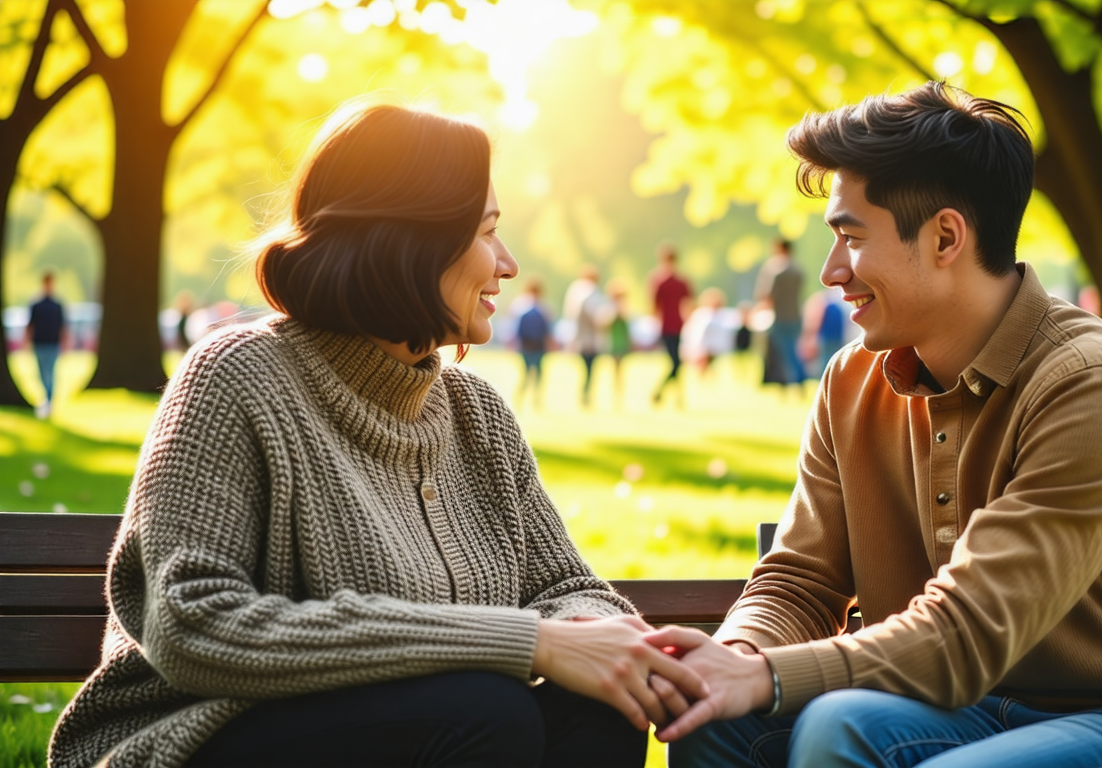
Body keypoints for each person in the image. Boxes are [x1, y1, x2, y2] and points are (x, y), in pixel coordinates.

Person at [47, 97, 704, 768]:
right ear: (408, 240)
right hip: (199, 739)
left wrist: (591, 639)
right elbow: (192, 625)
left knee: (605, 702)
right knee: (484, 709)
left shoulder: (476, 414)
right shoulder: (238, 376)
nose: (506, 263)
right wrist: (525, 642)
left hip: (427, 727)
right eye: (485, 233)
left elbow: (570, 585)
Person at [646, 82, 1102, 768]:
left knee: (855, 735)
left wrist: (765, 678)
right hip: (945, 705)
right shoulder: (851, 381)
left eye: (851, 237)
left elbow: (969, 631)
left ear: (944, 237)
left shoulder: (1096, 383)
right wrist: (735, 657)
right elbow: (800, 582)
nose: (830, 271)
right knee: (711, 720)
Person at [754, 238, 805, 390]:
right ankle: (798, 379)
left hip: (779, 317)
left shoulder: (775, 270)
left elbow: (766, 296)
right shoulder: (798, 270)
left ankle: (792, 381)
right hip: (795, 316)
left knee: (784, 352)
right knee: (793, 349)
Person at [649, 243, 693, 405]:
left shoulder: (675, 281)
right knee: (676, 362)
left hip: (676, 325)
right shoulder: (661, 281)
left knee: (676, 362)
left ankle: (673, 396)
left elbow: (688, 303)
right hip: (668, 326)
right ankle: (664, 394)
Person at [562, 265, 606, 407]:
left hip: (580, 338)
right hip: (590, 340)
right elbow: (597, 317)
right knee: (589, 370)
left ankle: (585, 395)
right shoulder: (589, 293)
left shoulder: (575, 290)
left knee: (587, 370)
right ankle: (586, 395)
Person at [26, 271, 66, 419]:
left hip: (53, 343)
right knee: (41, 374)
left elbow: (63, 326)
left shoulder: (57, 305)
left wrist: (65, 342)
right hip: (39, 343)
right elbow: (30, 325)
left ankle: (48, 402)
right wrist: (26, 341)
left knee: (51, 373)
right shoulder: (36, 304)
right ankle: (46, 400)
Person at [513, 276, 553, 410]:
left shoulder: (523, 309)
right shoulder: (542, 310)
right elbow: (547, 331)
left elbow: (518, 331)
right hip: (536, 347)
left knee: (526, 375)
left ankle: (525, 400)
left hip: (527, 346)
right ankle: (534, 401)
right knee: (536, 375)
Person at [680, 287, 738, 377]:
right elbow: (694, 333)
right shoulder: (702, 314)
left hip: (717, 345)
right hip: (703, 345)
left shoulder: (724, 314)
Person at [601, 278, 633, 407]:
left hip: (621, 341)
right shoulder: (608, 308)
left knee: (620, 369)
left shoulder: (624, 308)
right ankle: (616, 394)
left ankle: (619, 394)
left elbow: (628, 326)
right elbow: (603, 324)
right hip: (612, 341)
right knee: (615, 369)